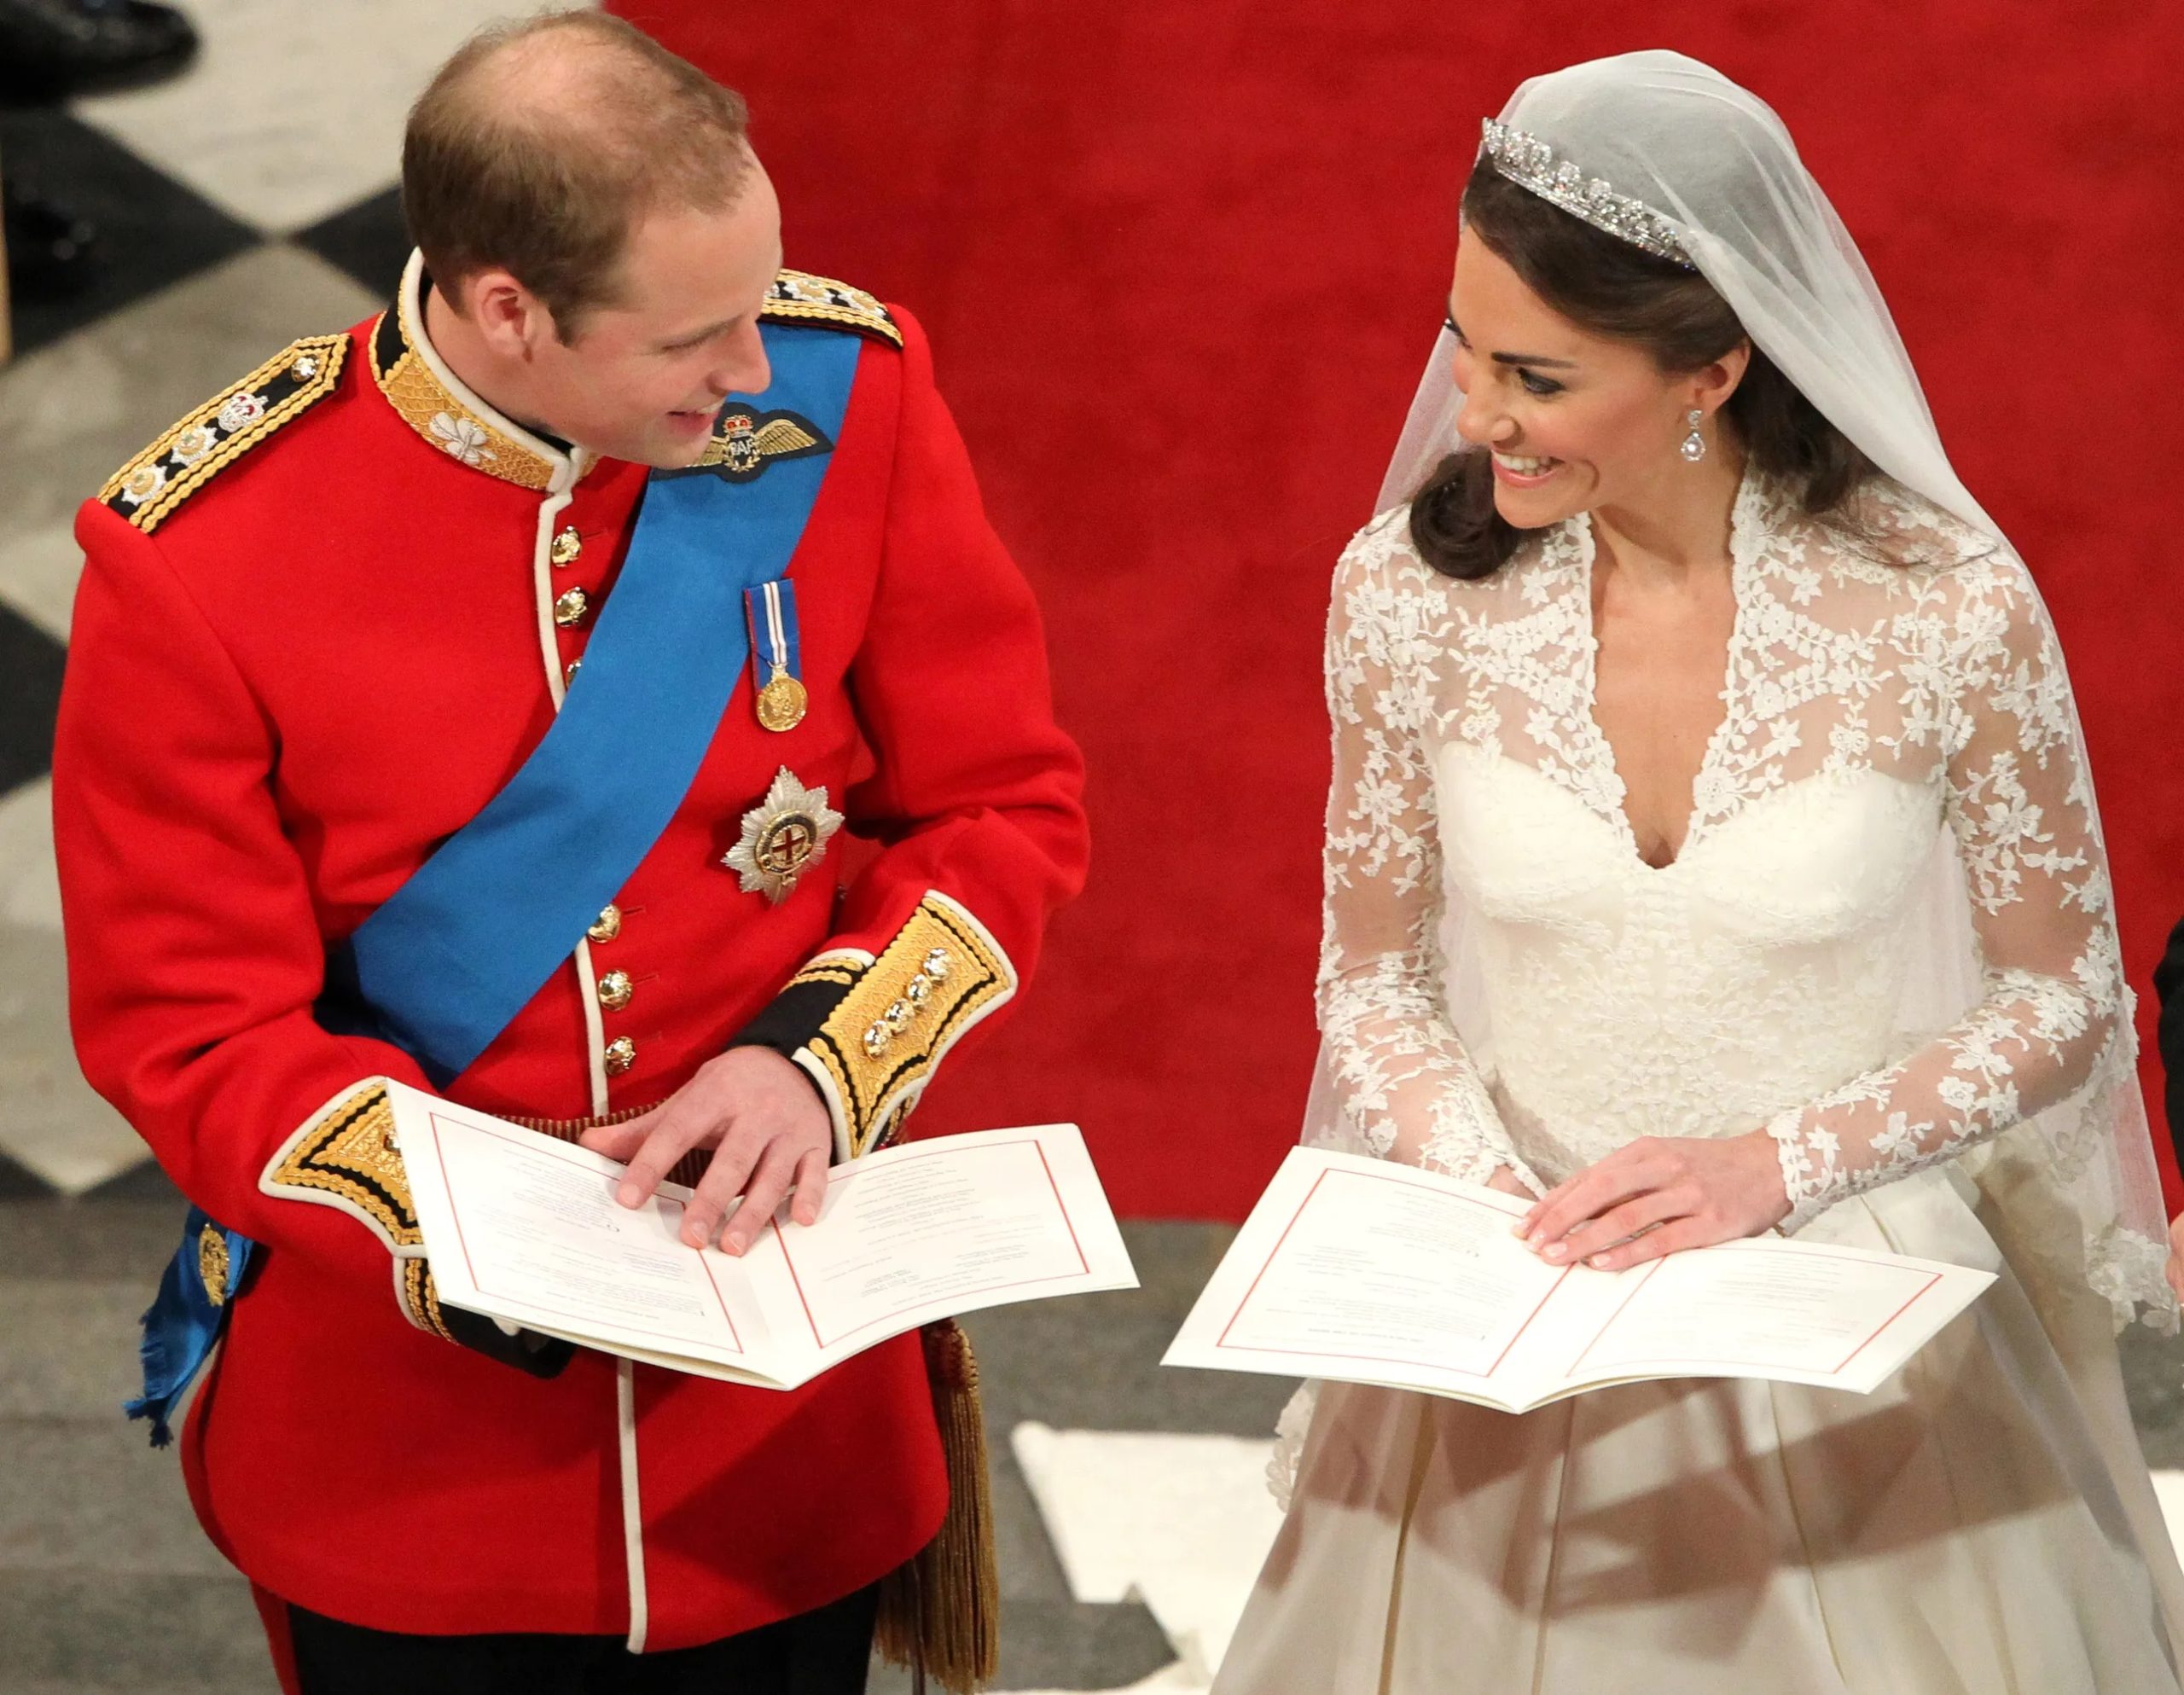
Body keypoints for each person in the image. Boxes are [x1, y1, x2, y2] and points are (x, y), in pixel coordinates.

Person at [50, 11, 1086, 1694]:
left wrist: (814, 1067)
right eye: (692, 336)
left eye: (758, 299)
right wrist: (474, 1237)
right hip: (415, 1461)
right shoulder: (202, 550)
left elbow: (999, 809)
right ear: (507, 310)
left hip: (780, 1424)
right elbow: (189, 1027)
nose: (758, 371)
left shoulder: (858, 393)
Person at [1217, 50, 2184, 1695]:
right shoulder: (1404, 593)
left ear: (1711, 372)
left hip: (1857, 1319)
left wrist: (1775, 1166)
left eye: (1535, 375)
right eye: (1462, 346)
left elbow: (2062, 996)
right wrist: (1490, 1197)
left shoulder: (1949, 602)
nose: (1473, 416)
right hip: (1514, 1310)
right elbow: (1371, 977)